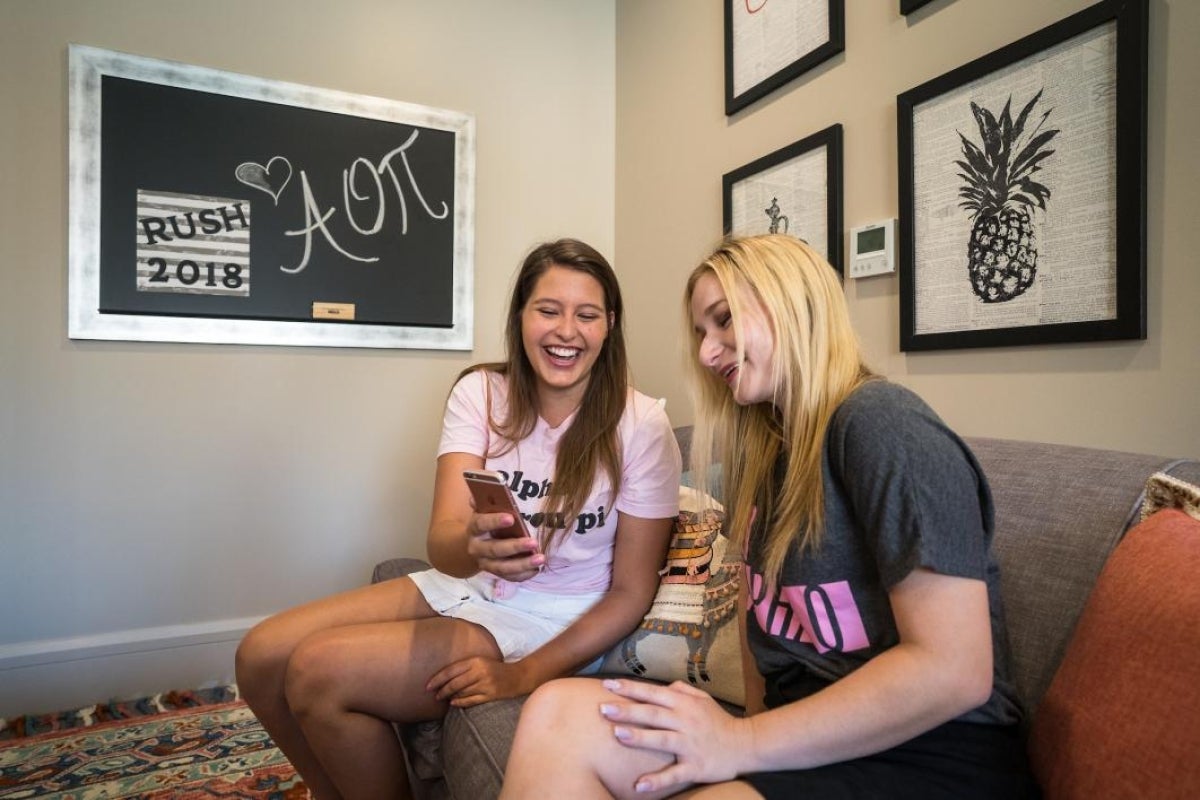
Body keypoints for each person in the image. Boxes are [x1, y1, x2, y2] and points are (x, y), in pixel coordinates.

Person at [500, 234, 1037, 799]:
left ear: (793, 306)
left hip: (927, 757)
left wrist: (742, 743)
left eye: (724, 321)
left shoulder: (881, 424)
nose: (707, 353)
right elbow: (767, 652)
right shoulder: (770, 457)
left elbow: (954, 670)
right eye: (703, 333)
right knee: (556, 713)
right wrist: (743, 744)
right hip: (798, 744)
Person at [236, 238, 682, 800]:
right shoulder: (481, 393)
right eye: (548, 310)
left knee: (317, 671)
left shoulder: (640, 426)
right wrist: (475, 546)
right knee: (259, 655)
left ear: (609, 326)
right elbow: (442, 541)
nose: (566, 331)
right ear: (521, 316)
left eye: (586, 315)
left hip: (555, 616)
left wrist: (525, 674)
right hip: (469, 586)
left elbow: (631, 591)